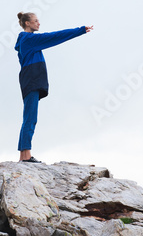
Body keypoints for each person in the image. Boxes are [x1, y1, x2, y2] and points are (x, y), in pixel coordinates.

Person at [14, 12, 93, 163]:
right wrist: (80, 30)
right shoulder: (29, 39)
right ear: (27, 23)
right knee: (30, 118)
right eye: (36, 21)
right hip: (31, 79)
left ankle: (24, 156)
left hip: (29, 79)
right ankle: (26, 156)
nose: (39, 23)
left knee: (29, 117)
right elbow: (55, 36)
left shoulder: (26, 41)